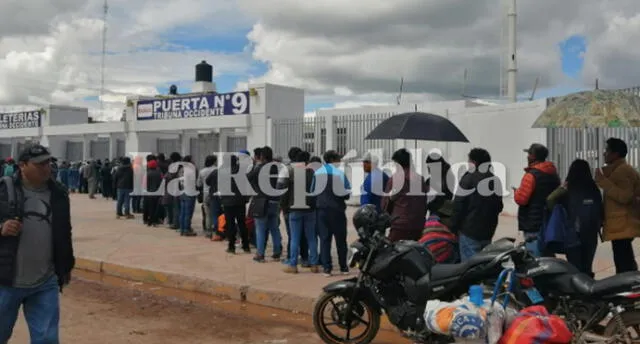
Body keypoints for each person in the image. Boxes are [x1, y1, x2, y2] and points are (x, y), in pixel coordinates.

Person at [0, 144, 75, 343]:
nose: (46, 168)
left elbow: (64, 231)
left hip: (45, 281)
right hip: (5, 281)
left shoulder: (58, 193)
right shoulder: (3, 190)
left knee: (47, 339)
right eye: (40, 164)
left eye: (48, 163)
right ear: (22, 165)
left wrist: (66, 265)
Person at [547, 159, 603, 277]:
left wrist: (561, 188)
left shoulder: (568, 189)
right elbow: (600, 210)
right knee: (587, 266)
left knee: (575, 267)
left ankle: (577, 291)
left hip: (572, 234)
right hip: (591, 234)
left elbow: (550, 201)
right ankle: (589, 289)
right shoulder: (593, 188)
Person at [595, 138, 640, 273]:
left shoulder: (623, 171)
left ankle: (628, 288)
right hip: (620, 223)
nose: (604, 154)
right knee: (624, 256)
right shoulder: (619, 170)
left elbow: (625, 196)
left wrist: (603, 182)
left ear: (615, 154)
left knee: (623, 261)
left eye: (607, 150)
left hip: (623, 223)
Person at [450, 148, 504, 261]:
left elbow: (458, 205)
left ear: (474, 162)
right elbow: (499, 207)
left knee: (469, 268)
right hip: (488, 231)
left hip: (469, 232)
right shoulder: (495, 180)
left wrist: (453, 227)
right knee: (483, 266)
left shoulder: (468, 179)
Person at [514, 143, 560, 256]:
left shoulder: (531, 175)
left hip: (533, 223)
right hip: (549, 221)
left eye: (528, 154)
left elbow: (522, 200)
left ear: (533, 157)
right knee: (547, 256)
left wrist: (517, 192)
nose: (527, 157)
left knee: (535, 260)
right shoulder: (553, 174)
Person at [313, 150, 351, 276]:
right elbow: (346, 194)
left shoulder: (317, 173)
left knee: (324, 239)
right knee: (341, 240)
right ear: (333, 160)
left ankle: (327, 268)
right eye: (338, 160)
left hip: (322, 211)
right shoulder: (339, 173)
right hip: (337, 211)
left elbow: (312, 191)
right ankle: (343, 267)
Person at [283, 150, 319, 274]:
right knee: (311, 238)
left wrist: (285, 207)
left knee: (294, 238)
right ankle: (314, 265)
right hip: (310, 209)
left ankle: (293, 265)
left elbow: (285, 192)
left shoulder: (292, 173)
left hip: (295, 209)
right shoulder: (313, 174)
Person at [381, 148, 428, 242]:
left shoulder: (395, 179)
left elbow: (384, 205)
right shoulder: (420, 179)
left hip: (400, 226)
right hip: (418, 226)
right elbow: (424, 201)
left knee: (391, 253)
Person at [248, 146, 282, 262]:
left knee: (260, 229)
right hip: (275, 201)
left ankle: (260, 254)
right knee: (274, 228)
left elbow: (248, 178)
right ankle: (277, 252)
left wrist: (255, 165)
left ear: (261, 156)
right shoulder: (276, 167)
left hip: (262, 201)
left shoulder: (260, 167)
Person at [278, 147, 309, 266]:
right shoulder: (308, 170)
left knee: (293, 235)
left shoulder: (287, 169)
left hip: (289, 206)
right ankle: (305, 258)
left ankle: (291, 259)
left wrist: (283, 206)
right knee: (304, 235)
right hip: (307, 207)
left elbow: (280, 187)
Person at [216, 155, 250, 253]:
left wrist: (222, 199)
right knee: (242, 223)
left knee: (230, 224)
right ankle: (246, 246)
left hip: (228, 202)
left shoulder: (222, 173)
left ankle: (231, 247)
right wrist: (246, 199)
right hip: (240, 201)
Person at [197, 155, 218, 239]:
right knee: (215, 213)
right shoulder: (217, 170)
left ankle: (208, 232)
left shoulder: (202, 171)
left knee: (207, 214)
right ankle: (216, 231)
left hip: (205, 194)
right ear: (214, 161)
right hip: (215, 194)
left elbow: (198, 184)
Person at [178, 156, 198, 237]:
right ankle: (187, 229)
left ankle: (182, 229)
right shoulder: (191, 170)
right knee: (188, 212)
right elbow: (195, 181)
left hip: (182, 192)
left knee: (182, 212)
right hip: (189, 192)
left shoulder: (181, 170)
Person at [143, 159, 163, 227]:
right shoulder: (159, 173)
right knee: (156, 208)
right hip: (157, 192)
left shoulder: (147, 173)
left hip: (149, 193)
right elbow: (161, 183)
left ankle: (150, 221)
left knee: (150, 207)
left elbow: (144, 184)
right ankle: (154, 221)